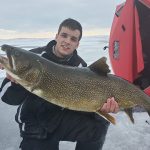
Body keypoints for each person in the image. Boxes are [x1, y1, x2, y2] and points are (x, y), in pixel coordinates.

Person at [0, 18, 119, 150]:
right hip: (35, 123)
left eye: (73, 39)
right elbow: (7, 98)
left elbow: (84, 101)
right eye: (64, 35)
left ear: (77, 44)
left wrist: (100, 108)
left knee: (99, 124)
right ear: (56, 36)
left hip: (62, 118)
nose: (67, 41)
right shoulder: (34, 56)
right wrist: (15, 84)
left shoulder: (82, 67)